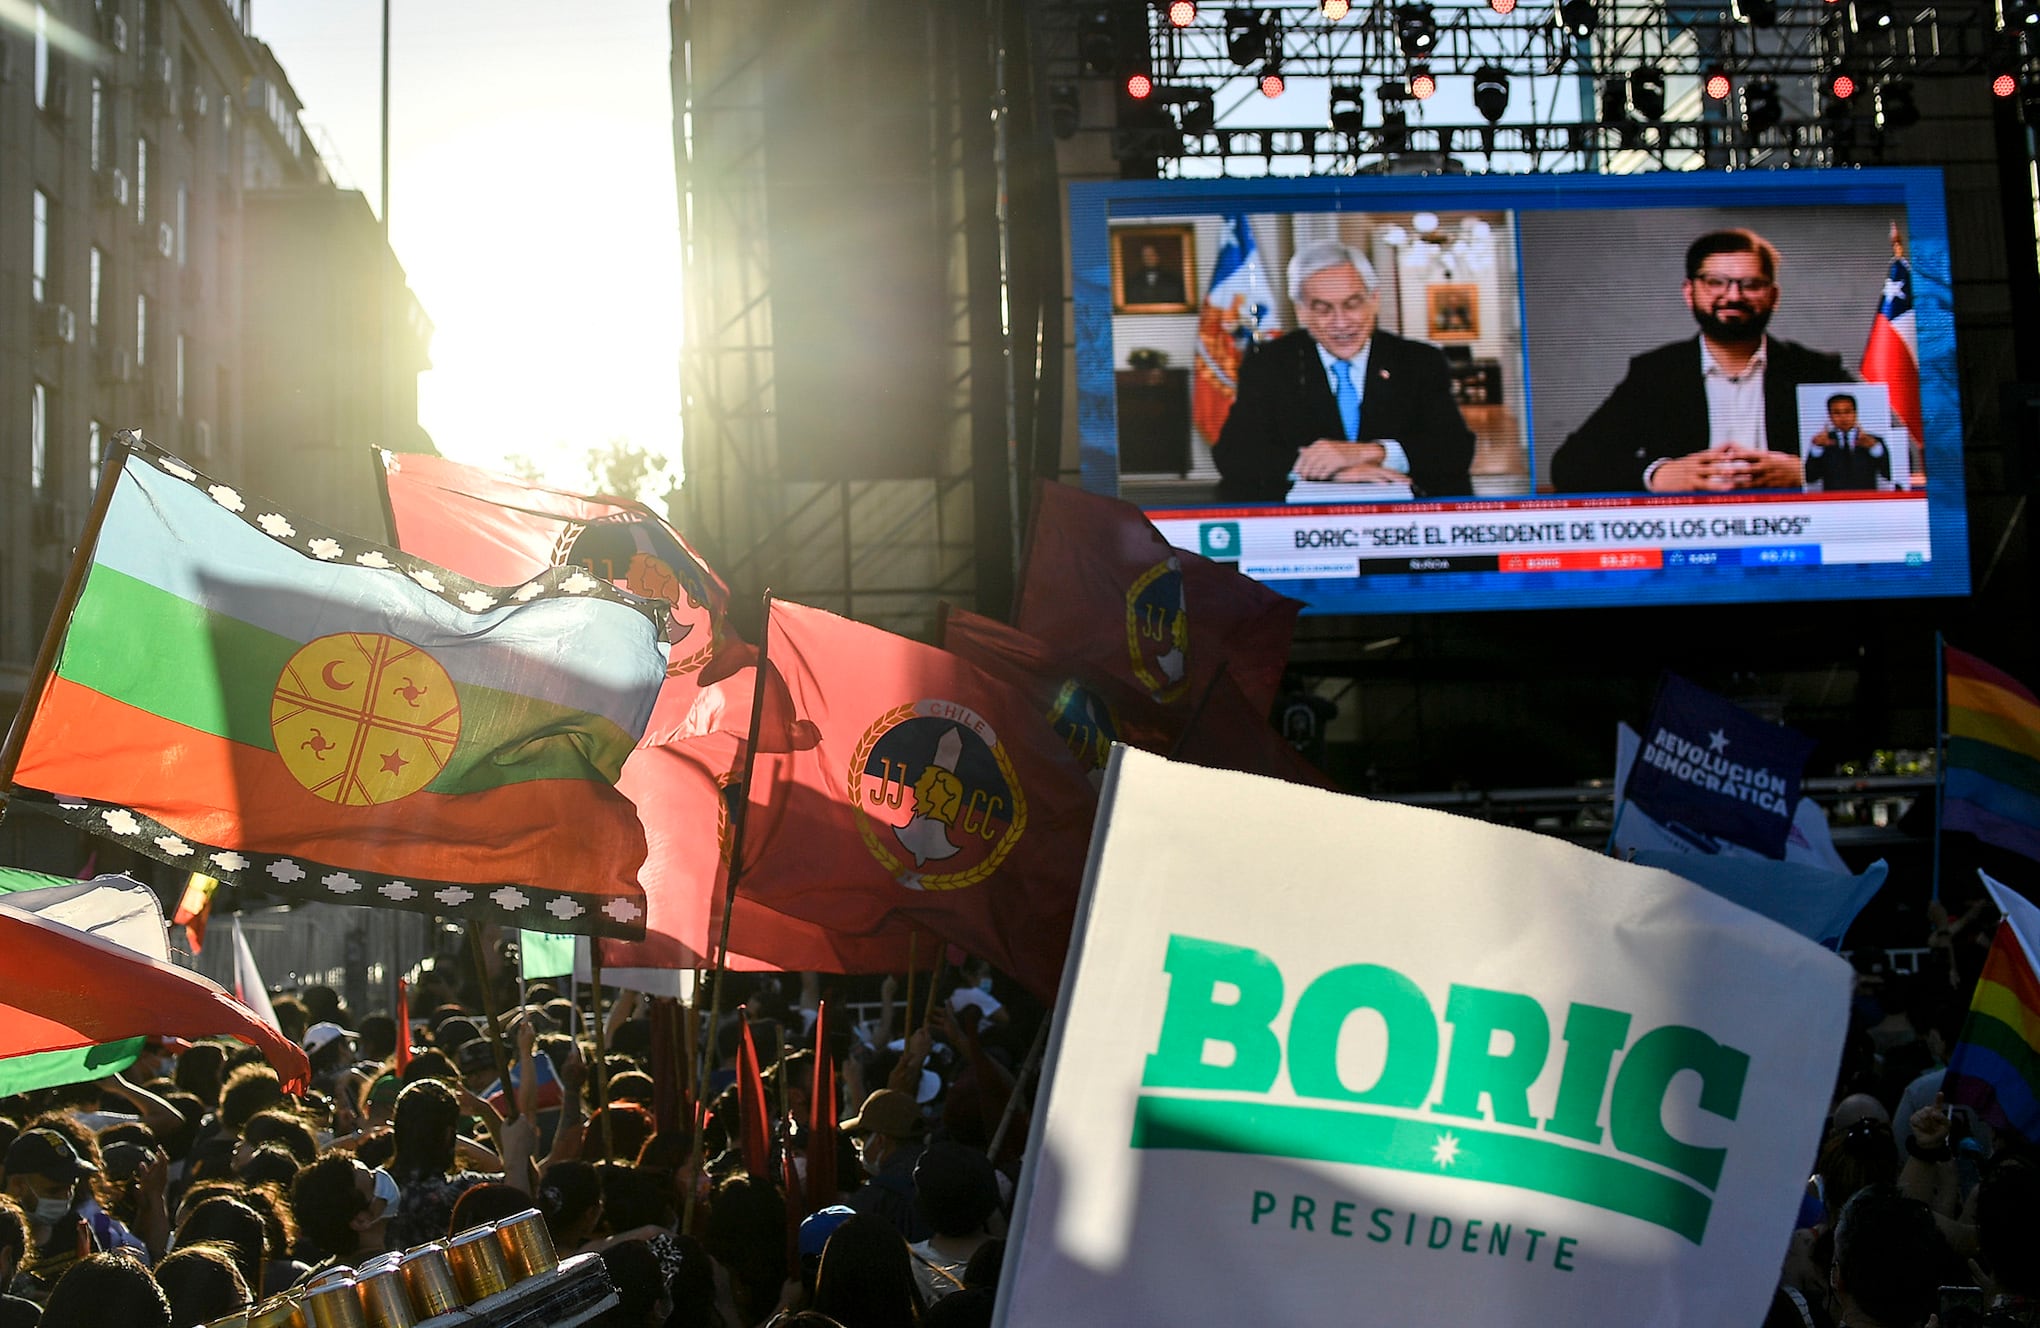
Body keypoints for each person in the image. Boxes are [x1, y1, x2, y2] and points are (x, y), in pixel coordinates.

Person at [1548, 228, 1850, 494]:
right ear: (1689, 292)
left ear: (1773, 296)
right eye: (1715, 282)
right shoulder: (1655, 373)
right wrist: (1659, 475)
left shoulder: (1816, 370)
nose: (1733, 296)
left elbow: (1880, 453)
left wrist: (1807, 471)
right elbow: (1569, 466)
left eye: (1751, 284)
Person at [1212, 240, 1475, 501]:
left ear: (1374, 300)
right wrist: (1334, 471)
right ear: (1302, 312)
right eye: (1323, 309)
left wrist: (1369, 453)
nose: (1341, 323)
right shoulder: (1269, 363)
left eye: (1352, 305)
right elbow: (1234, 454)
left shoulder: (1419, 360)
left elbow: (1455, 449)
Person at [1804, 392, 1891, 491]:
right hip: (1833, 500)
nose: (1843, 417)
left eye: (1847, 412)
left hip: (1866, 499)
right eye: (1837, 413)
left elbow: (1888, 475)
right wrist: (1817, 449)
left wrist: (1875, 449)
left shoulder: (1873, 441)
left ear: (1855, 413)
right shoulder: (1821, 442)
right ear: (1830, 416)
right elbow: (1810, 478)